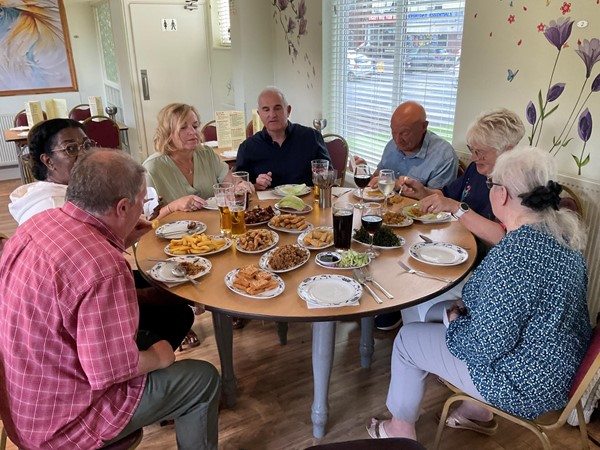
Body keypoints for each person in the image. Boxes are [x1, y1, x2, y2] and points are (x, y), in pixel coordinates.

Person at [367, 147, 591, 442]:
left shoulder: (516, 252)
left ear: (503, 195)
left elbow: (485, 346)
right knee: (438, 314)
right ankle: (476, 411)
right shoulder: (565, 238)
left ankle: (399, 430)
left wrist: (455, 322)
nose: (490, 190)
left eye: (492, 185)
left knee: (408, 341)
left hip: (522, 384)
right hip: (558, 370)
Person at [0, 151, 220, 449]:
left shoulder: (39, 224)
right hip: (62, 425)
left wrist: (118, 240)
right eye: (142, 202)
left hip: (22, 401)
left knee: (151, 331)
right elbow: (109, 372)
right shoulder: (104, 266)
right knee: (202, 378)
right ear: (122, 207)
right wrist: (160, 356)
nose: (144, 208)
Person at [8, 119, 199, 351]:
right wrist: (155, 297)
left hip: (85, 288)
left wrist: (123, 239)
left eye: (86, 144)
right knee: (174, 310)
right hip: (67, 330)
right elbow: (89, 282)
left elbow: (94, 253)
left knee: (157, 279)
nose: (84, 154)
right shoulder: (49, 206)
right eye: (71, 148)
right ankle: (149, 370)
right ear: (48, 161)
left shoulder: (70, 193)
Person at [401, 108, 525, 246]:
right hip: (453, 241)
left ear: (507, 151)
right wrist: (422, 192)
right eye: (472, 150)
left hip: (480, 256)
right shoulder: (475, 170)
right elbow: (446, 196)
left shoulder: (518, 186)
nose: (473, 157)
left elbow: (501, 237)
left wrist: (457, 208)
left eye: (480, 152)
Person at [235, 86, 331, 190]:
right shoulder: (247, 147)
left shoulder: (311, 137)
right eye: (266, 109)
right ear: (259, 114)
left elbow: (328, 176)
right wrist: (255, 185)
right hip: (266, 205)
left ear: (288, 110)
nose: (272, 115)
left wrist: (321, 177)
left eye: (277, 108)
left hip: (308, 203)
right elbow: (240, 188)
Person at [143, 103, 236, 208]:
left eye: (195, 126)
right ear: (167, 133)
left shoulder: (206, 154)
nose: (192, 132)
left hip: (212, 223)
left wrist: (240, 185)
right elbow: (146, 220)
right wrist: (173, 206)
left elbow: (232, 182)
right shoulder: (152, 168)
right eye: (183, 127)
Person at [355, 101, 458, 191]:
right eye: (393, 131)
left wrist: (398, 186)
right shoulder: (392, 145)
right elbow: (376, 181)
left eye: (404, 133)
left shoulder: (444, 156)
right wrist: (364, 172)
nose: (397, 139)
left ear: (423, 127)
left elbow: (438, 201)